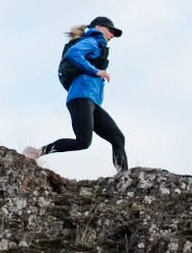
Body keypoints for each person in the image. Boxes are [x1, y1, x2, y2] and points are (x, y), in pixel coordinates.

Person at [24, 16, 128, 171]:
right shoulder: (92, 41)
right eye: (110, 30)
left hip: (90, 100)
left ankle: (124, 177)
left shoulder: (98, 46)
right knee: (83, 142)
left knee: (118, 138)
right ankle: (37, 152)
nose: (112, 35)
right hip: (80, 97)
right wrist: (96, 71)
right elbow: (73, 54)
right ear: (99, 27)